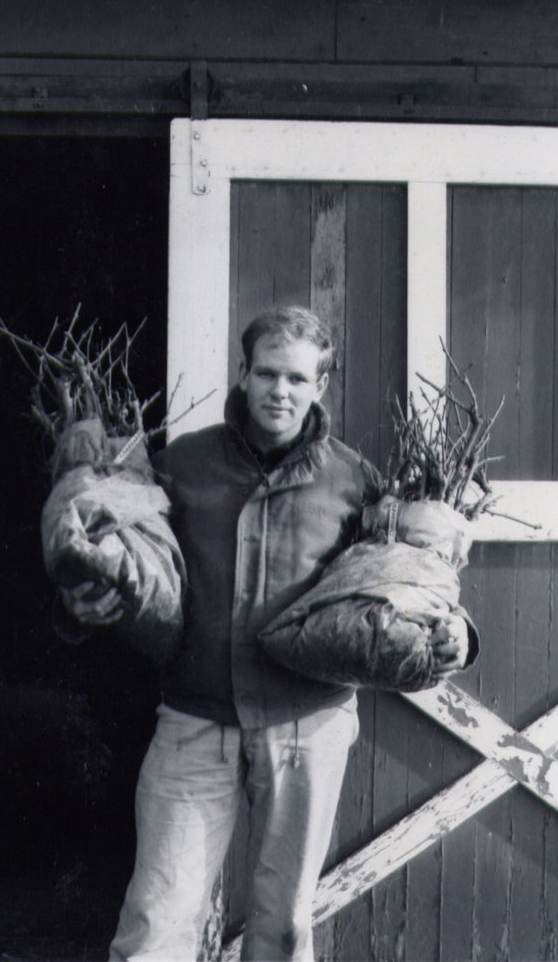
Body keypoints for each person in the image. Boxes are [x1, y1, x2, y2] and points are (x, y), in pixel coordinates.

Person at [62, 306, 476, 962]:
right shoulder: (182, 464)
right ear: (243, 374)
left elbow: (395, 588)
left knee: (283, 924)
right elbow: (138, 565)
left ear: (320, 385)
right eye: (265, 373)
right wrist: (87, 599)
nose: (278, 390)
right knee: (158, 915)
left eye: (295, 377)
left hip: (306, 725)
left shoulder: (357, 482)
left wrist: (448, 634)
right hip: (193, 722)